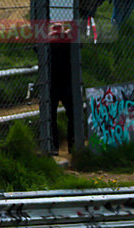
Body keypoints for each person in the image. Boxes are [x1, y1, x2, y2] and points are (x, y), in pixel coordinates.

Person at [49, 23, 75, 154]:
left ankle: (54, 146)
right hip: (66, 81)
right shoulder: (68, 40)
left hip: (53, 82)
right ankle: (72, 145)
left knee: (50, 116)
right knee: (72, 113)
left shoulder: (48, 42)